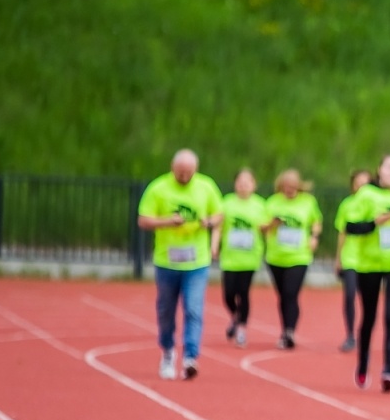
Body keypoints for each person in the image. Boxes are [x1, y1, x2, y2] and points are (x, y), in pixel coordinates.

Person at [137, 149, 223, 380]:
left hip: (197, 262)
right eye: (181, 172)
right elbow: (143, 220)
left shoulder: (206, 187)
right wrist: (167, 221)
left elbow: (219, 214)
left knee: (194, 309)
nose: (185, 176)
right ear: (172, 168)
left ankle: (190, 357)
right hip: (167, 261)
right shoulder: (158, 188)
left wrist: (209, 221)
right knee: (166, 310)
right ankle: (167, 351)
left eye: (189, 172)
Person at [341, 154, 390, 391]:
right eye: (389, 167)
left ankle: (388, 370)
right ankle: (363, 365)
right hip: (370, 263)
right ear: (379, 169)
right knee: (369, 317)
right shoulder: (366, 194)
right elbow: (350, 227)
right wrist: (374, 224)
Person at [262, 169, 322, 350]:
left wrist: (314, 237)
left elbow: (316, 222)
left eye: (293, 186)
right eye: (286, 186)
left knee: (290, 293)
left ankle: (289, 332)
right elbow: (262, 228)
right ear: (280, 186)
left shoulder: (308, 201)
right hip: (276, 257)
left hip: (299, 256)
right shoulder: (272, 202)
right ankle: (285, 328)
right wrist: (273, 224)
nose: (290, 190)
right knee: (283, 296)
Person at [215, 168, 266, 348]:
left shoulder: (260, 205)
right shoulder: (226, 202)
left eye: (247, 183)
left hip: (250, 257)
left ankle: (242, 328)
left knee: (243, 292)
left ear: (254, 185)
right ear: (235, 184)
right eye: (240, 183)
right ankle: (236, 316)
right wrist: (214, 246)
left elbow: (265, 228)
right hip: (230, 257)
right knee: (228, 293)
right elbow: (219, 226)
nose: (243, 186)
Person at [334, 169, 372, 353]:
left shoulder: (377, 203)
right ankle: (350, 335)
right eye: (358, 183)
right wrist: (338, 258)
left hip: (370, 258)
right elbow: (342, 232)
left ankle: (365, 333)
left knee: (368, 300)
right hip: (350, 256)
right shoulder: (347, 205)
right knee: (349, 295)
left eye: (365, 183)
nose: (361, 186)